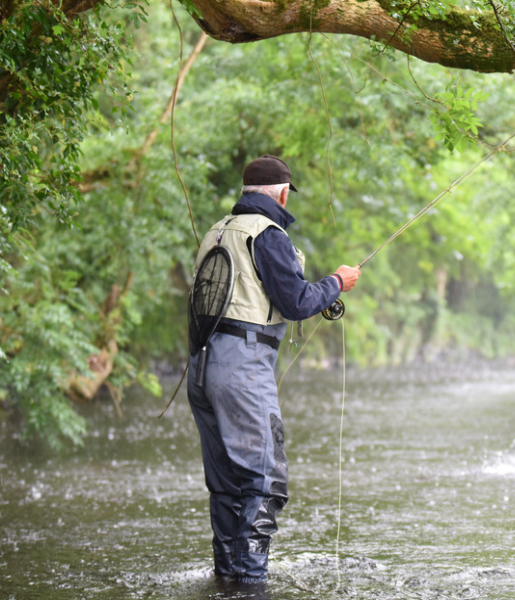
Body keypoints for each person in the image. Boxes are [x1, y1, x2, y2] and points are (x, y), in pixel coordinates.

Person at [186, 155, 360, 584]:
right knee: (265, 481)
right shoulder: (268, 234)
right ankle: (250, 583)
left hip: (201, 367)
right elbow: (297, 302)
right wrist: (337, 282)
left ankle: (227, 579)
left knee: (227, 485)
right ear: (282, 193)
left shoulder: (217, 232)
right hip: (242, 371)